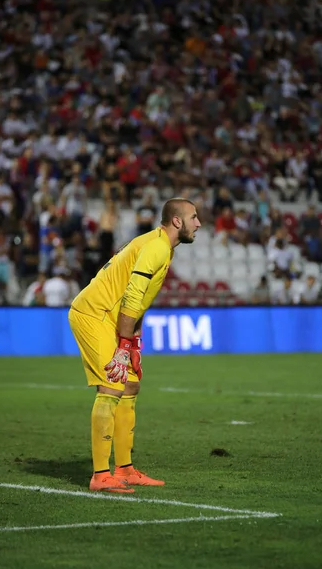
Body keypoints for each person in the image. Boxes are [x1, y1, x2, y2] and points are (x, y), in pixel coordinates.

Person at [68, 198, 201, 493]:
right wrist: (123, 345)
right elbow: (131, 298)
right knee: (112, 386)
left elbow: (139, 302)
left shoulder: (159, 245)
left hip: (111, 317)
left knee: (130, 386)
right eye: (194, 217)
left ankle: (125, 468)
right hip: (94, 313)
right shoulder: (157, 248)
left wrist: (134, 342)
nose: (199, 223)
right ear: (177, 221)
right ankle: (100, 476)